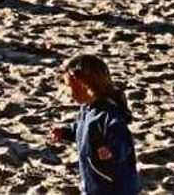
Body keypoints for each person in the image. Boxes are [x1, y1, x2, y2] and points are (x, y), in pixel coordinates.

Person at [51, 55, 141, 195]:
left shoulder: (108, 114)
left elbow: (123, 139)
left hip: (115, 188)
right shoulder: (87, 108)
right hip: (94, 183)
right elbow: (84, 129)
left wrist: (112, 150)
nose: (66, 92)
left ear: (83, 84)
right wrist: (65, 132)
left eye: (68, 86)